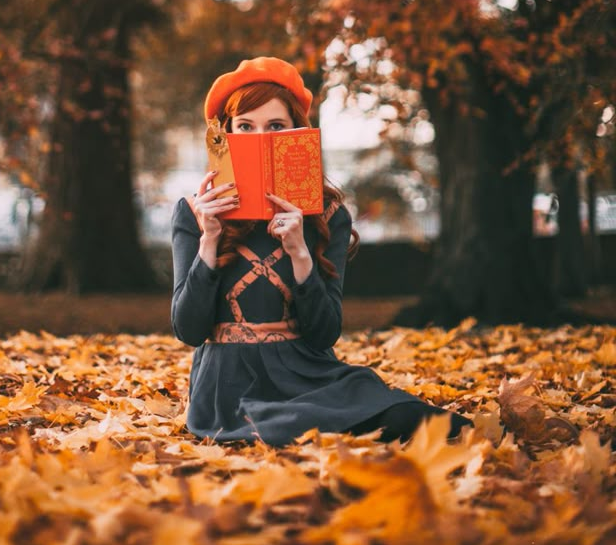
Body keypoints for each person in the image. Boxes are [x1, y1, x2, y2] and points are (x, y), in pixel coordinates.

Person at [171, 56, 472, 447]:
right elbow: (188, 330)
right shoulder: (193, 213)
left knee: (417, 418)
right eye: (245, 127)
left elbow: (324, 333)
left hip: (306, 373)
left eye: (275, 127)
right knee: (282, 432)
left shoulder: (327, 215)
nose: (260, 138)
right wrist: (208, 241)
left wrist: (300, 254)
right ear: (224, 136)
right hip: (228, 387)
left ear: (297, 135)